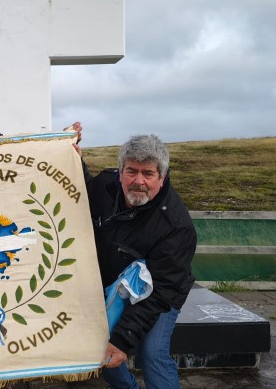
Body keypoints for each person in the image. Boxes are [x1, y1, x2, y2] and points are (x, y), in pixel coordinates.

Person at [83, 134, 197, 389]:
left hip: (160, 291)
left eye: (148, 174)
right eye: (131, 171)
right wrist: (69, 153)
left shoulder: (176, 226)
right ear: (120, 171)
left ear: (162, 176)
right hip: (115, 283)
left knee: (152, 353)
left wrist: (123, 340)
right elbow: (77, 192)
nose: (138, 181)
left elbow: (162, 290)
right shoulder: (103, 186)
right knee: (104, 350)